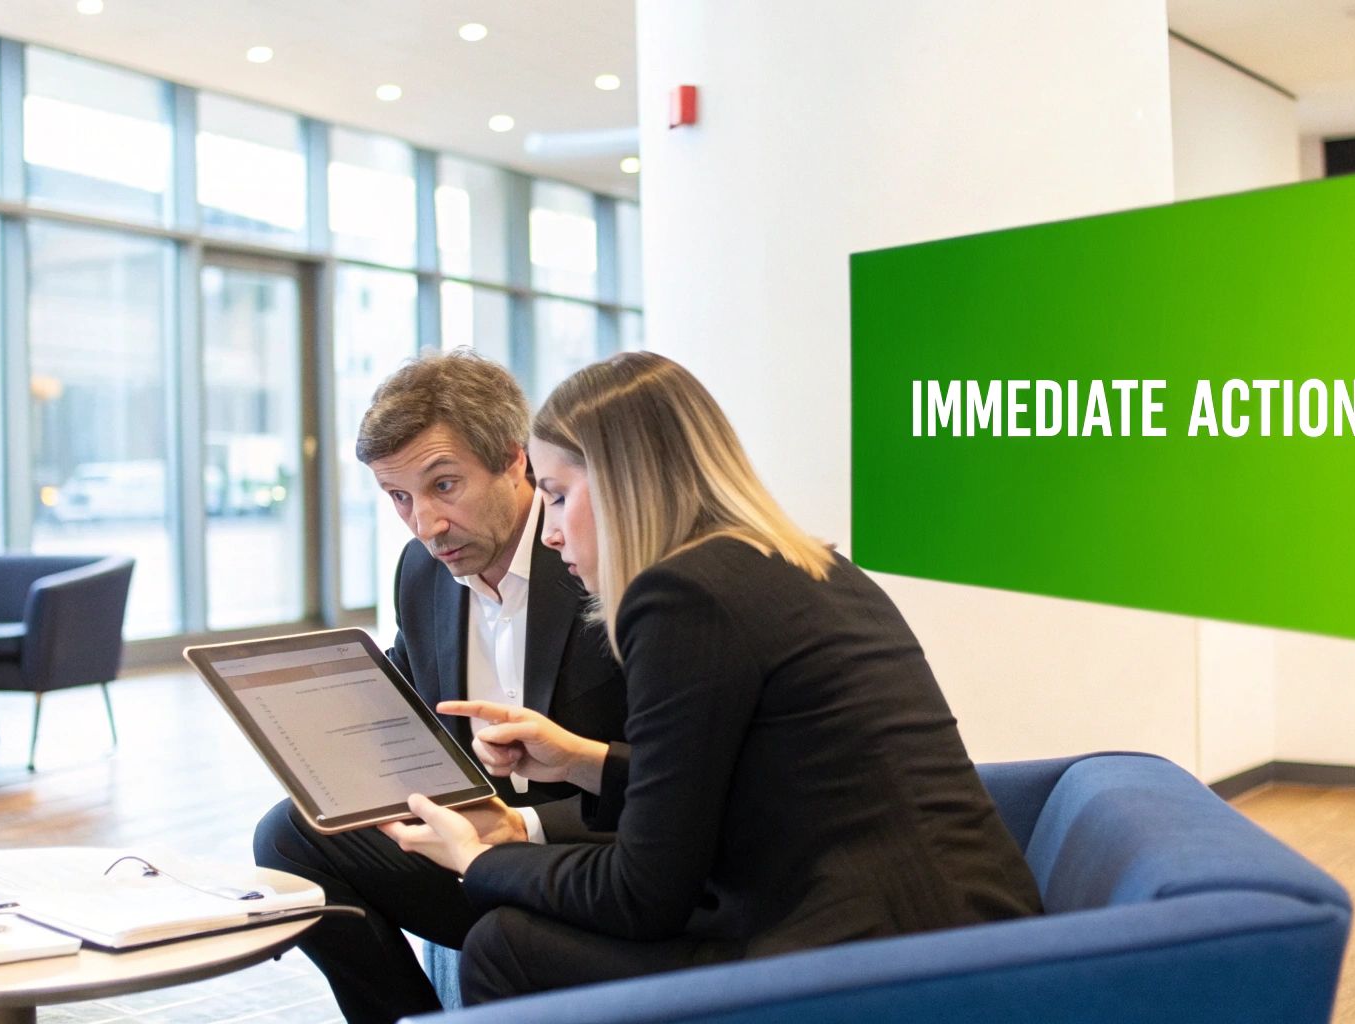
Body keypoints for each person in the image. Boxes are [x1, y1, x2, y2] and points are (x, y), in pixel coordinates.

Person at [381, 351, 1044, 1004]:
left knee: (507, 945)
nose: (549, 533)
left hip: (872, 957)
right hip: (958, 922)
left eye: (556, 496)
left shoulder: (681, 598)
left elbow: (642, 896)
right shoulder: (800, 563)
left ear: (624, 484)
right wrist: (585, 762)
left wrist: (477, 858)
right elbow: (737, 781)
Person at [252, 351, 627, 1023]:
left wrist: (521, 830)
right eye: (400, 498)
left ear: (516, 462)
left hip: (590, 851)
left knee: (500, 931)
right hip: (471, 840)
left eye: (444, 486)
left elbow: (671, 777)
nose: (425, 525)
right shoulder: (421, 573)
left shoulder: (593, 555)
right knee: (288, 836)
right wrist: (308, 729)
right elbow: (402, 705)